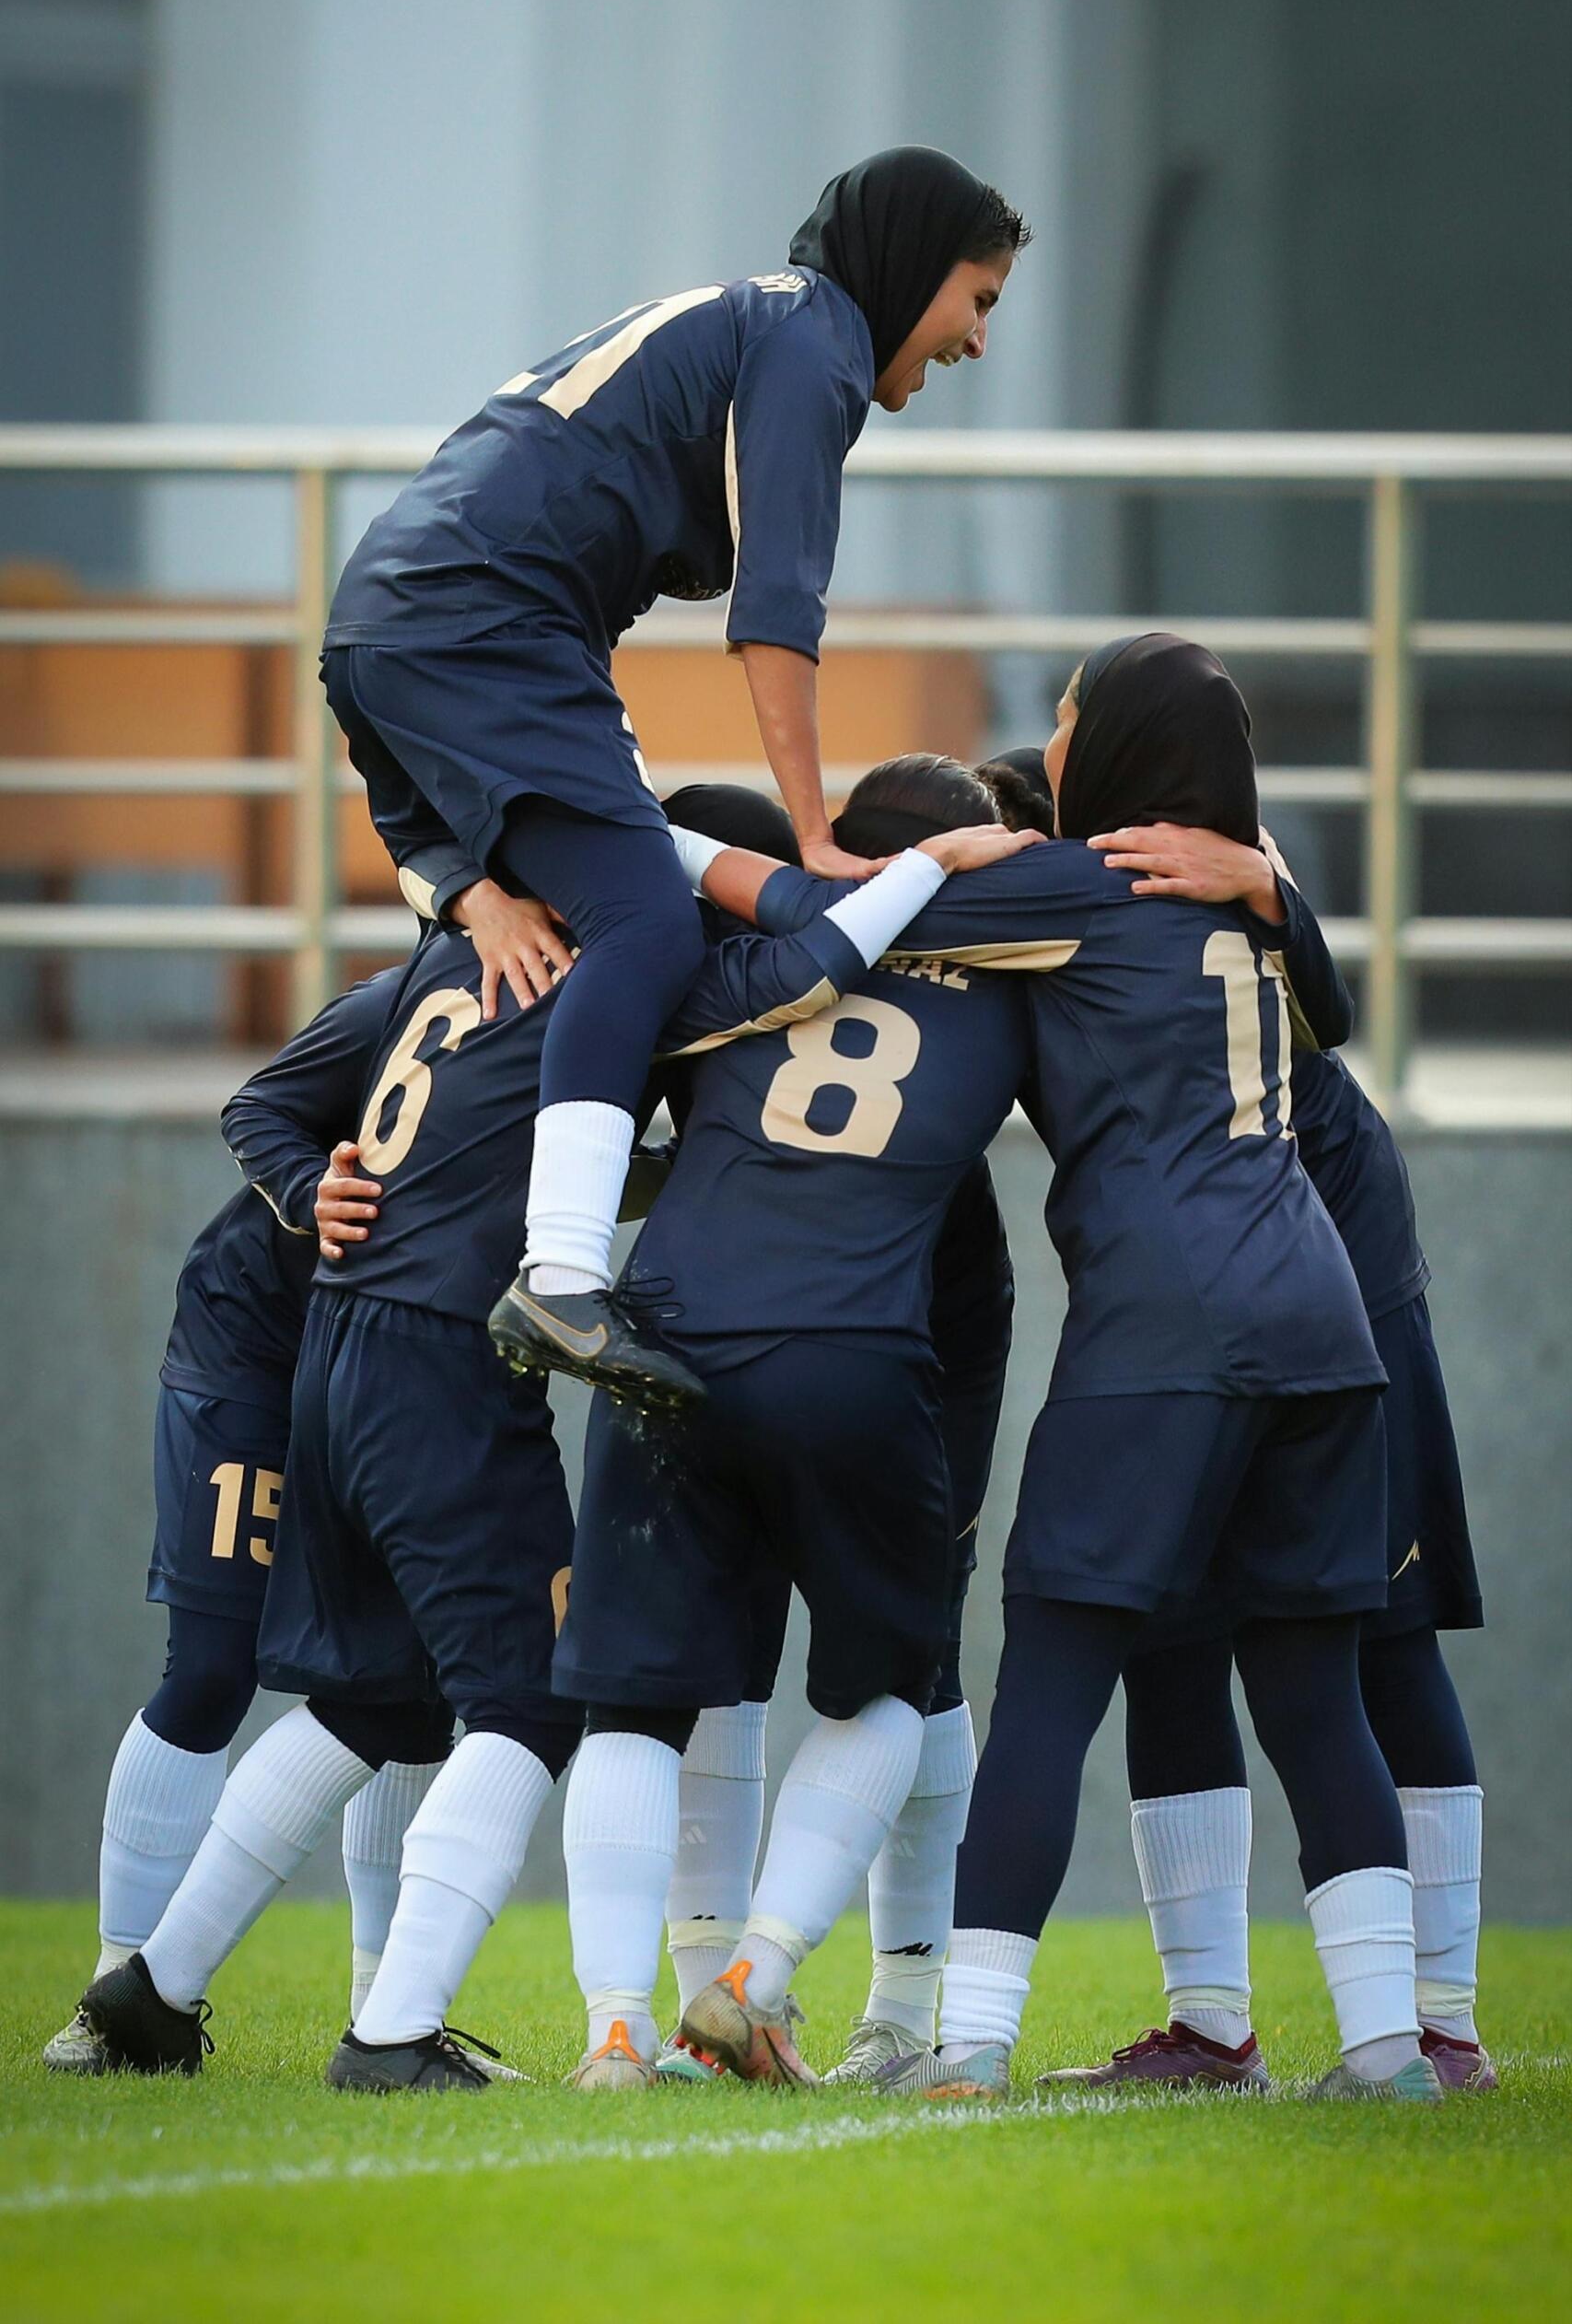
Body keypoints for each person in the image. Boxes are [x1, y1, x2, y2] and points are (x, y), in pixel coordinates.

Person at [73, 839, 992, 2085]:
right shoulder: (640, 954)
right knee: (531, 1703)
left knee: (377, 1699)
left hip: (341, 1344)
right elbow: (819, 960)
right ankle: (389, 2036)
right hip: (444, 1358)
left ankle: (152, 1989)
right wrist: (928, 860)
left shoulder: (462, 946)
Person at [735, 636, 1443, 2105]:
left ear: (1116, 744)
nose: (1051, 750)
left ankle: (974, 2044)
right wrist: (1278, 882)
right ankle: (1387, 2051)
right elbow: (1342, 1013)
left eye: (1065, 721)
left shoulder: (1083, 882)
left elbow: (840, 908)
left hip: (1168, 1323)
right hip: (1322, 1324)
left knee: (1052, 1669)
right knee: (1313, 1692)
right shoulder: (1241, 893)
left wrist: (647, 838)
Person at [320, 147, 1029, 1410]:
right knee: (645, 921)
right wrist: (817, 836)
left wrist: (459, 882)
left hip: (394, 620)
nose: (979, 336)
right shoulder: (815, 347)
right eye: (977, 297)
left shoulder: (759, 317)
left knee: (626, 874)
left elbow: (369, 666)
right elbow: (774, 616)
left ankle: (593, 1157)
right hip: (491, 624)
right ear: (914, 265)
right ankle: (563, 1268)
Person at [550, 771, 1040, 2088]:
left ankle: (613, 2032)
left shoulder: (759, 963)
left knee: (632, 1711)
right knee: (892, 1683)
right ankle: (755, 1977)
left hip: (669, 1329)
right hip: (849, 1350)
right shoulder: (1013, 985)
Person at [41, 839, 520, 2078]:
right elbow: (256, 1105)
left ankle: (377, 2010)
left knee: (397, 1672)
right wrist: (312, 1192)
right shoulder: (422, 990)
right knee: (211, 1665)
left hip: (397, 1370)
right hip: (262, 1351)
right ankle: (119, 1992)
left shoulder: (602, 1002)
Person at [1025, 821, 1489, 2094]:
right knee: (1169, 1638)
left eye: (1076, 719)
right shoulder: (1084, 904)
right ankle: (1211, 2028)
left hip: (1339, 1286)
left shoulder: (1173, 871)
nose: (1068, 735)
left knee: (1379, 1636)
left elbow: (1322, 1014)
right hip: (1204, 1309)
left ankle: (1440, 2020)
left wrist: (1275, 885)